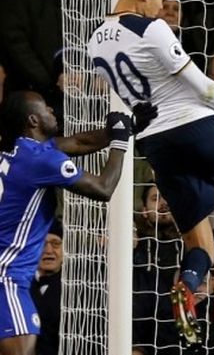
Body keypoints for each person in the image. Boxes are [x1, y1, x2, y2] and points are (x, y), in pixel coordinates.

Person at [85, 0, 214, 353]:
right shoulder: (152, 29)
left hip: (156, 144)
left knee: (199, 241)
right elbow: (203, 86)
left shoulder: (95, 38)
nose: (160, 7)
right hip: (196, 126)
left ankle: (187, 288)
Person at [0, 90, 134, 355]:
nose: (52, 109)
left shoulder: (21, 152)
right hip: (7, 277)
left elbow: (80, 142)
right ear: (33, 120)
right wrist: (120, 144)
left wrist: (127, 127)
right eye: (46, 108)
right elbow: (102, 188)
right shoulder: (40, 160)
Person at [29, 221, 64, 355]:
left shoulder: (77, 291)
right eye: (42, 244)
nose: (48, 250)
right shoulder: (16, 286)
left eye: (55, 243)